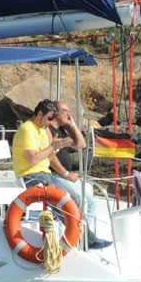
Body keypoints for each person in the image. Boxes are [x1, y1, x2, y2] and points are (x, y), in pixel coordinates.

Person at [11, 99, 110, 250]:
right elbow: (33, 159)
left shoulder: (42, 130)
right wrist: (53, 147)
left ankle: (82, 237)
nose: (50, 122)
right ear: (39, 114)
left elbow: (50, 156)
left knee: (77, 198)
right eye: (49, 118)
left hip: (44, 174)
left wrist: (56, 148)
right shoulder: (27, 130)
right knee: (73, 198)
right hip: (31, 175)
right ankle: (83, 239)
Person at [49, 100, 108, 249]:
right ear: (55, 113)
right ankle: (81, 238)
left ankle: (88, 236)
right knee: (80, 199)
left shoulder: (62, 130)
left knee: (91, 200)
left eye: (69, 111)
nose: (68, 113)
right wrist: (66, 173)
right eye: (65, 111)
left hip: (65, 175)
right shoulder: (49, 131)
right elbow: (49, 156)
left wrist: (73, 124)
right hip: (56, 175)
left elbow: (81, 144)